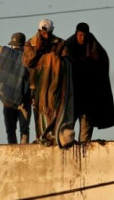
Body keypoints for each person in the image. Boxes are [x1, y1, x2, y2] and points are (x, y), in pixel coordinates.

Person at [23, 19, 76, 147]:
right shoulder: (30, 44)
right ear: (39, 31)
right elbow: (28, 62)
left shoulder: (60, 43)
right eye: (43, 32)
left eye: (48, 32)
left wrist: (53, 60)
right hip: (37, 85)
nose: (46, 34)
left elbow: (67, 61)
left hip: (56, 85)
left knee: (55, 111)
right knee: (40, 112)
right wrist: (38, 50)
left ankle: (55, 136)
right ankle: (41, 136)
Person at [64, 22, 114, 143]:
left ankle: (84, 145)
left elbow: (102, 63)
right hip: (72, 94)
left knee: (86, 124)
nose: (82, 38)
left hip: (88, 95)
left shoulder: (93, 45)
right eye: (80, 35)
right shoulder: (68, 45)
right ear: (76, 34)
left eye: (84, 35)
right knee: (68, 124)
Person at [0, 32, 31, 144]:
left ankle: (13, 150)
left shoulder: (4, 58)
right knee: (24, 131)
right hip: (23, 101)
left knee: (11, 131)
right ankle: (23, 149)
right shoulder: (27, 58)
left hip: (8, 101)